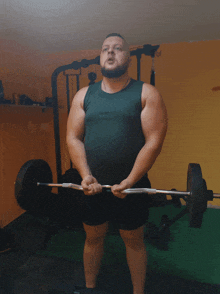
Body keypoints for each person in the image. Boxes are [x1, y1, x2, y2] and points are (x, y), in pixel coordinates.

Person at [66, 33, 168, 294]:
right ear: (100, 57)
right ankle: (90, 287)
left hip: (131, 187)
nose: (110, 53)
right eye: (105, 49)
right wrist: (85, 176)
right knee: (93, 237)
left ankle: (138, 291)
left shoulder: (147, 92)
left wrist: (131, 180)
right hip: (92, 186)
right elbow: (73, 138)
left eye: (117, 48)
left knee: (134, 241)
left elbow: (153, 142)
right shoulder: (83, 96)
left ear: (128, 57)